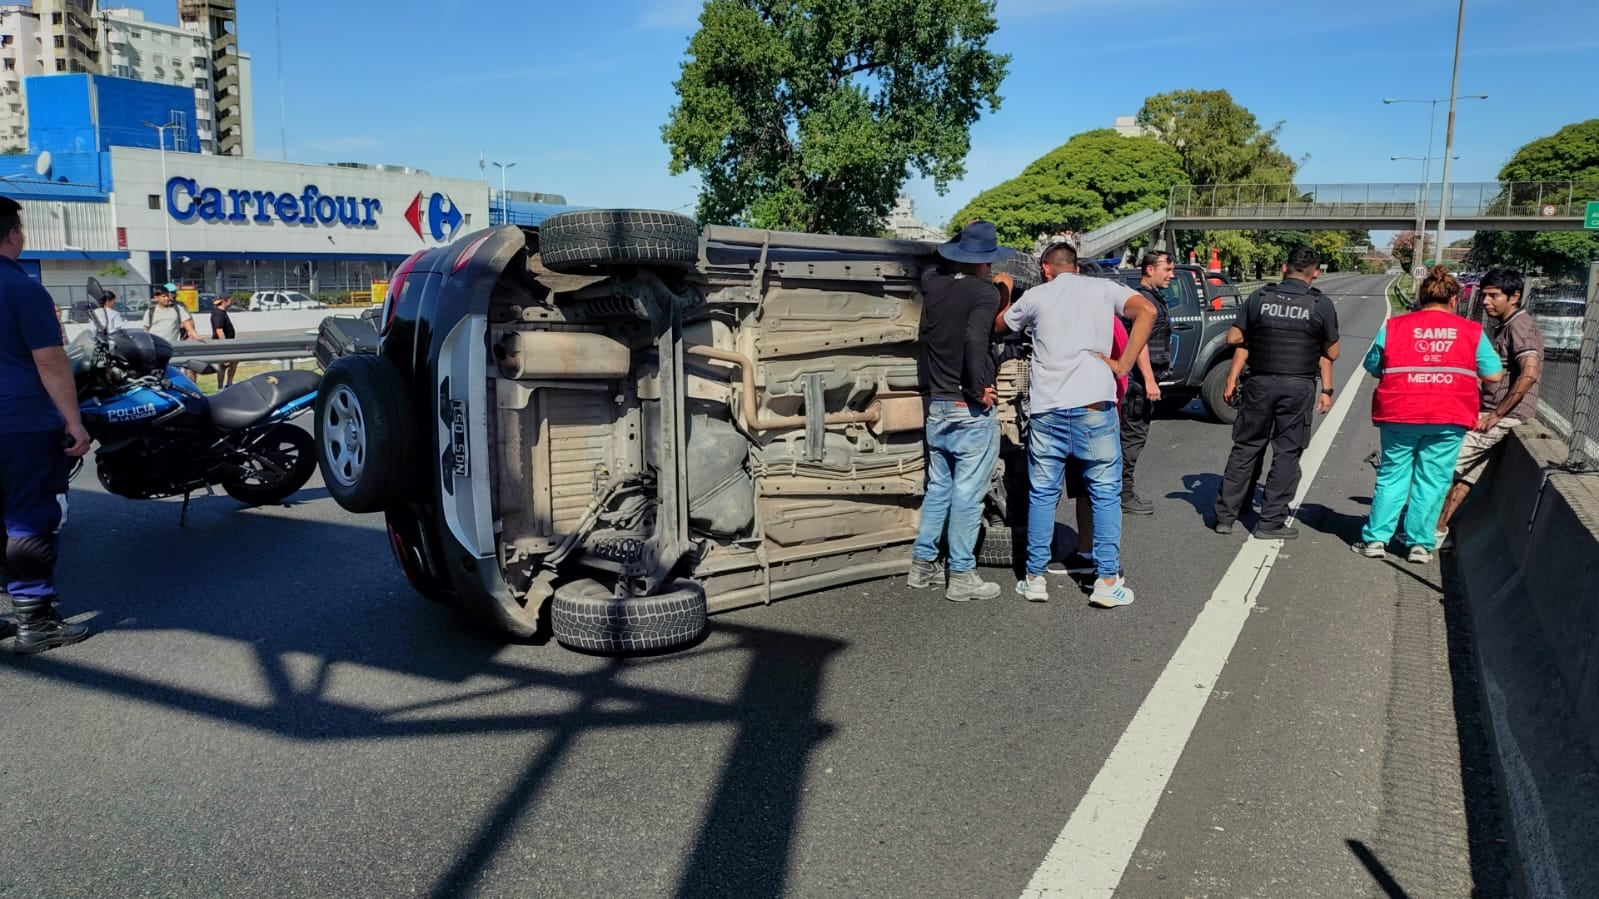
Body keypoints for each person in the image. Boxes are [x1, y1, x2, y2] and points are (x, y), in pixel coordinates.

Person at [995, 241, 1158, 606]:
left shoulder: (1036, 295)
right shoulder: (1104, 289)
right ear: (1077, 267)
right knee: (1104, 495)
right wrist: (1124, 365)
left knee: (1042, 495)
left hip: (1048, 411)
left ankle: (1034, 578)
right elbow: (1146, 310)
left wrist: (1004, 292)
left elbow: (1000, 324)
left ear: (1045, 268)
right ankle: (1106, 580)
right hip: (1094, 409)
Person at [1355, 266, 1504, 562]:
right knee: (1434, 479)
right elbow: (1495, 374)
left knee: (1392, 476)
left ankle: (1376, 540)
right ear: (1454, 301)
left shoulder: (1395, 327)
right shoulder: (1471, 331)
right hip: (1450, 414)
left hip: (1399, 412)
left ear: (1421, 298)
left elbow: (1372, 365)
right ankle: (1420, 544)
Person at [0, 195, 92, 653]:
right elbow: (51, 363)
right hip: (19, 424)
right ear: (14, 235)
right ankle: (35, 621)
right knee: (29, 518)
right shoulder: (23, 289)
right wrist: (74, 423)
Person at [907, 220, 1007, 602]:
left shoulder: (933, 286)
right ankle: (962, 575)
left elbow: (936, 260)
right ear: (986, 261)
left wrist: (959, 240)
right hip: (968, 408)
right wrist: (977, 387)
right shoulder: (985, 293)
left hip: (938, 406)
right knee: (968, 494)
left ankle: (922, 566)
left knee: (939, 489)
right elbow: (975, 338)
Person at [1213, 246, 1340, 540]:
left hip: (1259, 382)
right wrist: (1327, 387)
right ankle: (1270, 523)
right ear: (1316, 273)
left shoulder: (1260, 297)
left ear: (1284, 267)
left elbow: (1235, 337)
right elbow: (1332, 350)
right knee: (1286, 453)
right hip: (1297, 386)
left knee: (1245, 448)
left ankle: (1225, 517)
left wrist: (1232, 378)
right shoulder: (1320, 305)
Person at [1435, 267, 1542, 545]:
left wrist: (1497, 413)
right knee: (1465, 477)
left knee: (1443, 467)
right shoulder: (1507, 326)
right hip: (1490, 412)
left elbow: (1529, 372)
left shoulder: (1521, 325)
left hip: (1502, 416)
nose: (1486, 302)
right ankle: (1438, 530)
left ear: (1514, 296)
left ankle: (1427, 530)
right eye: (1484, 295)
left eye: (1494, 296)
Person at [1119, 250, 1175, 515]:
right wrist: (1150, 379)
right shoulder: (1141, 300)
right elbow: (1138, 343)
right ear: (1150, 269)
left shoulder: (1150, 298)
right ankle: (1123, 494)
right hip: (1138, 384)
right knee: (1131, 439)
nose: (1171, 275)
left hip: (1142, 382)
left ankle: (1121, 492)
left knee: (1133, 438)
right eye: (1167, 270)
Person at [211, 294, 239, 388]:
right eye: (230, 300)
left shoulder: (222, 312)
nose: (231, 303)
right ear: (224, 301)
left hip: (227, 344)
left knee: (233, 362)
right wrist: (225, 346)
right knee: (223, 366)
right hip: (222, 345)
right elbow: (219, 330)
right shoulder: (218, 313)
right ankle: (222, 386)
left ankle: (228, 384)